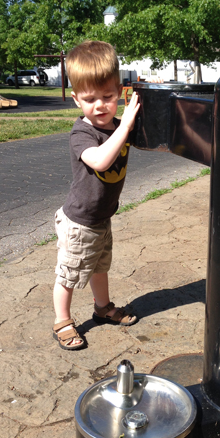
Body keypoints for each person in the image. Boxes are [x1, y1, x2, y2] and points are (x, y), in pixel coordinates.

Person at [52, 40, 140, 350]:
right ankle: (62, 320)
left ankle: (102, 308)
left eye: (108, 96)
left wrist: (134, 116)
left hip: (102, 218)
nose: (100, 105)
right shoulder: (82, 133)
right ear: (76, 99)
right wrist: (125, 125)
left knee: (100, 267)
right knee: (71, 273)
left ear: (120, 91)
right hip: (79, 221)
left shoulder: (118, 124)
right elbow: (101, 160)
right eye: (90, 99)